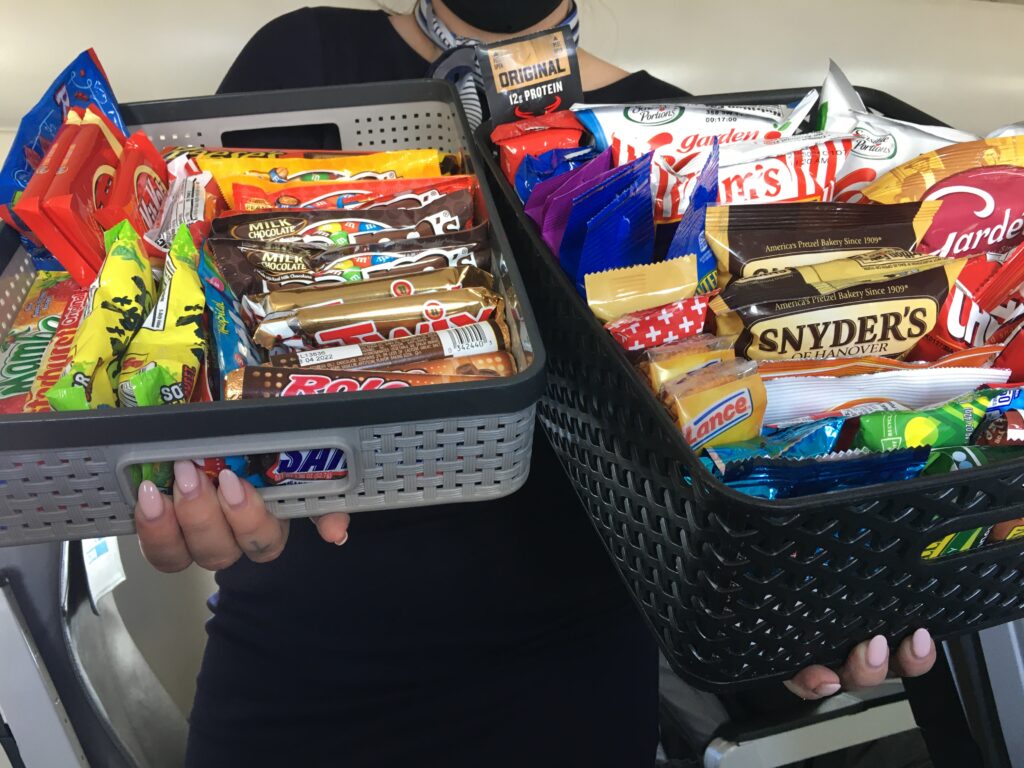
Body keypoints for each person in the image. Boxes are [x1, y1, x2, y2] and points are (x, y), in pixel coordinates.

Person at [134, 2, 938, 766]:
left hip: (568, 690)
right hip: (298, 671)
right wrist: (186, 468)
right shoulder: (298, 58)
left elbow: (703, 460)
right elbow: (198, 332)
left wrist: (804, 607)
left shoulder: (682, 146)